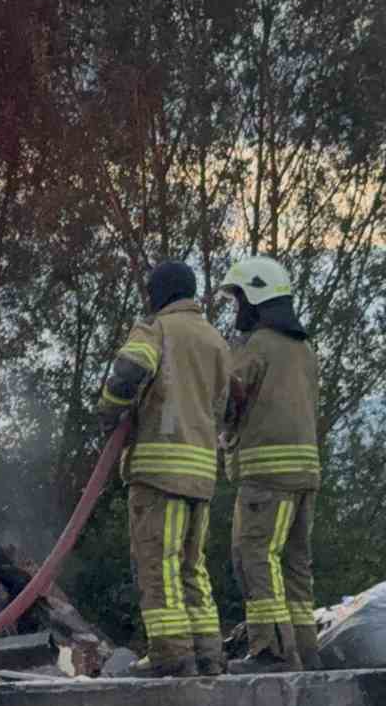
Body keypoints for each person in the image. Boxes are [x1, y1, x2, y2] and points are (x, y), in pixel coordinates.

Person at [95, 262, 231, 677]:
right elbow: (223, 407)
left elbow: (126, 375)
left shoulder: (157, 329)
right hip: (201, 475)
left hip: (159, 473)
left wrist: (110, 414)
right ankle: (207, 654)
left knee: (159, 562)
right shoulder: (216, 341)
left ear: (160, 293)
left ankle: (171, 655)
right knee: (193, 565)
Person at [217, 257, 323, 673]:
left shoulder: (257, 347)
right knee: (296, 565)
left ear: (257, 298)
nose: (236, 309)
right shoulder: (305, 351)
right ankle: (305, 651)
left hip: (266, 478)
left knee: (254, 555)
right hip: (304, 476)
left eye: (239, 299)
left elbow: (228, 399)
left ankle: (270, 654)